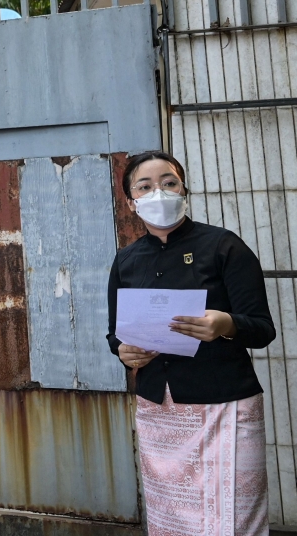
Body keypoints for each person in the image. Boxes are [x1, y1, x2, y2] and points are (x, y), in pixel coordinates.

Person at [107, 150, 275, 536]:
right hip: (160, 408)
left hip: (224, 404)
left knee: (233, 516)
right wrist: (123, 351)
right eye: (145, 187)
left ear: (184, 190)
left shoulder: (224, 246)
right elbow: (115, 333)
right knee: (172, 519)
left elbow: (262, 328)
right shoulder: (126, 261)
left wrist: (226, 323)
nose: (159, 193)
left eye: (169, 183)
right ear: (132, 203)